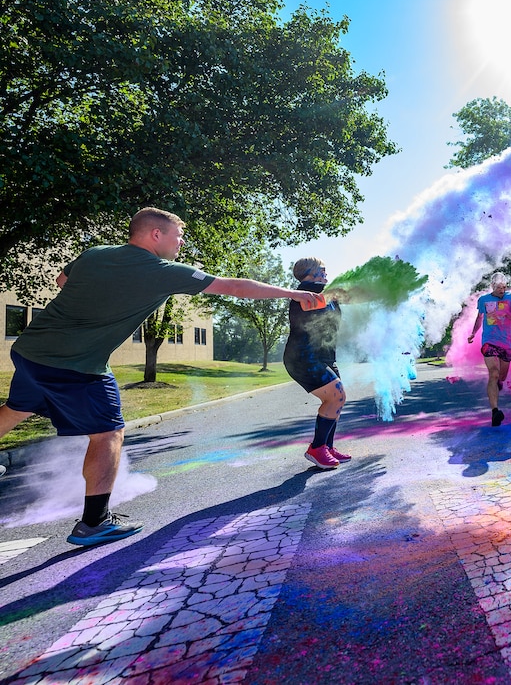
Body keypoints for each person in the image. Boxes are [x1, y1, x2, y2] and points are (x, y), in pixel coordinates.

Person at [0, 207, 325, 547]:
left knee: (18, 407)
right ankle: (94, 523)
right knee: (108, 434)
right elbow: (232, 286)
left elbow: (62, 281)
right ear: (156, 234)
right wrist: (294, 294)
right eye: (177, 237)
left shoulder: (95, 254)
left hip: (29, 351)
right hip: (76, 365)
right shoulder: (163, 271)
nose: (181, 244)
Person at [283, 257, 350, 470]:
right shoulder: (307, 290)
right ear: (312, 273)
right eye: (323, 269)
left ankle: (327, 447)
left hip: (325, 356)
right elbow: (342, 292)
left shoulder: (328, 294)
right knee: (336, 396)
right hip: (304, 357)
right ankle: (317, 448)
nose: (326, 273)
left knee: (337, 400)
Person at [467, 272, 511, 426]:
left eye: (504, 287)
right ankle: (495, 412)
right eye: (499, 287)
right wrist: (473, 333)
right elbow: (479, 318)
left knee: (502, 377)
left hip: (506, 344)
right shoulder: (484, 300)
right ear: (492, 286)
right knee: (493, 372)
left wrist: (507, 314)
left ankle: (499, 382)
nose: (501, 290)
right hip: (489, 341)